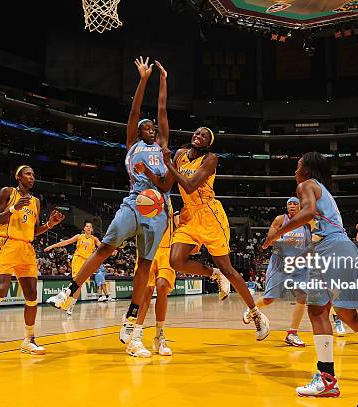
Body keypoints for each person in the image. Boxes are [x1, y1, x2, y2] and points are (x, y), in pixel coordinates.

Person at [46, 58, 199, 343]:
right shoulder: (132, 144)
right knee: (106, 246)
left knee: (145, 264)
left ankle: (130, 321)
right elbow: (135, 110)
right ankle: (69, 293)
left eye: (153, 127)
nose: (151, 128)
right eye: (146, 126)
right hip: (134, 201)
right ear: (137, 131)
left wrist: (163, 79)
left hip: (159, 209)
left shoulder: (164, 148)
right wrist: (144, 78)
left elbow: (163, 112)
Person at [263, 152, 358, 397]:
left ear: (307, 169)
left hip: (331, 248)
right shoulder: (322, 191)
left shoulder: (305, 185)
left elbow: (306, 214)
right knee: (347, 313)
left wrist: (277, 234)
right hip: (343, 247)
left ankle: (327, 379)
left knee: (318, 311)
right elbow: (320, 225)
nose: (295, 170)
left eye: (298, 165)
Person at [140, 126, 269, 340]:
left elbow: (190, 186)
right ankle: (213, 274)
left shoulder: (211, 159)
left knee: (228, 269)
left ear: (209, 143)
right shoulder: (181, 155)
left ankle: (256, 314)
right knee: (176, 261)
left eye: (204, 136)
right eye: (197, 133)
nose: (198, 136)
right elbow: (166, 184)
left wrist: (168, 164)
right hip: (189, 216)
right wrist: (148, 173)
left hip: (210, 216)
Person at [0, 165, 65, 364]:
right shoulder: (7, 192)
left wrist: (50, 225)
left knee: (32, 295)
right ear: (18, 177)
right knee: (0, 290)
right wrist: (12, 208)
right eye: (28, 174)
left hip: (26, 248)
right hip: (6, 244)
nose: (32, 177)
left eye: (34, 174)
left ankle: (28, 339)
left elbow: (33, 232)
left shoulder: (35, 201)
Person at [242, 197, 311, 347]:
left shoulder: (306, 223)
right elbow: (270, 239)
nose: (292, 206)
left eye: (295, 204)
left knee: (302, 298)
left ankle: (292, 333)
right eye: (289, 204)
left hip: (300, 264)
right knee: (269, 299)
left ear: (301, 206)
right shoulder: (280, 219)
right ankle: (252, 308)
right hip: (280, 263)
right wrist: (284, 241)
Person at [126, 210, 180, 357]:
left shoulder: (169, 198)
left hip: (166, 249)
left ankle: (159, 337)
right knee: (147, 290)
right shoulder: (144, 191)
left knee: (162, 286)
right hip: (147, 247)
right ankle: (135, 338)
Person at [44, 222, 101, 316]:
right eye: (87, 226)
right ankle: (64, 303)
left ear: (92, 230)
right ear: (84, 228)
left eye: (90, 227)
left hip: (87, 263)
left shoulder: (94, 239)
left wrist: (112, 251)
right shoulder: (79, 236)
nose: (88, 228)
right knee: (76, 281)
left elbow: (102, 247)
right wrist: (52, 246)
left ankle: (69, 306)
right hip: (78, 260)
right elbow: (66, 242)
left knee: (79, 285)